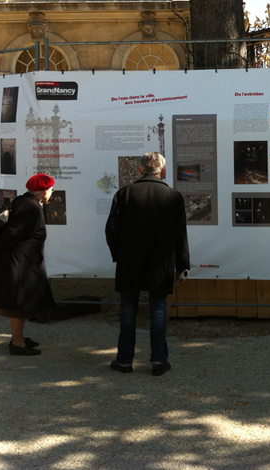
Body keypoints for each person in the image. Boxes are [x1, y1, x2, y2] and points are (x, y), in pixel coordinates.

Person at [105, 152, 189, 376]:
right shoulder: (173, 196)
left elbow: (111, 230)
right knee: (158, 310)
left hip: (129, 261)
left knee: (127, 310)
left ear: (140, 170)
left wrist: (118, 255)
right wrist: (182, 265)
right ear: (162, 171)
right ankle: (159, 361)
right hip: (160, 263)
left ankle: (124, 361)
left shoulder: (124, 194)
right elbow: (181, 235)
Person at [0, 173, 57, 356]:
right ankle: (17, 343)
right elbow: (14, 233)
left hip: (19, 260)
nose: (52, 192)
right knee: (18, 304)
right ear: (44, 191)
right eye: (51, 189)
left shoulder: (22, 201)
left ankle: (18, 337)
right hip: (19, 263)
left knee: (21, 302)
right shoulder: (31, 207)